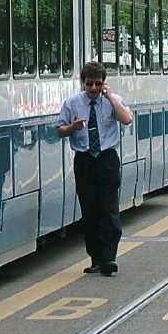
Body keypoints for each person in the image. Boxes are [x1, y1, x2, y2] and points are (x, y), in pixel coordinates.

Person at [58, 61, 133, 277]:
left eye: (98, 84)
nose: (93, 88)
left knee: (108, 208)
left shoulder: (112, 100)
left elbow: (127, 119)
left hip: (107, 159)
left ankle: (109, 257)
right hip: (84, 160)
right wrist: (73, 128)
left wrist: (109, 97)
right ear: (83, 82)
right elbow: (60, 130)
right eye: (89, 84)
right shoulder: (72, 103)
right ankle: (96, 258)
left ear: (103, 83)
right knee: (89, 211)